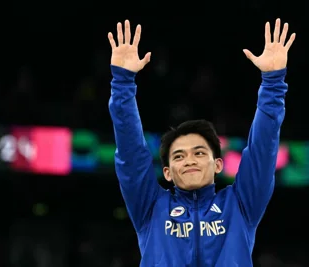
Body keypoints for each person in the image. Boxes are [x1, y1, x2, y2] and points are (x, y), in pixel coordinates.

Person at [108, 18, 295, 267]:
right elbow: (130, 153)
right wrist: (122, 83)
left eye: (198, 153)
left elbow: (263, 151)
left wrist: (272, 83)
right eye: (178, 156)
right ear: (167, 173)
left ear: (218, 164)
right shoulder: (150, 208)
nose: (189, 161)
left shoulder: (240, 205)